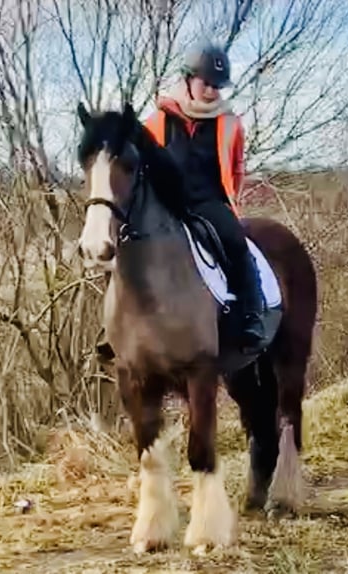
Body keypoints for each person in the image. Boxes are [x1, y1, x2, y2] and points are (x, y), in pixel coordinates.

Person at [95, 40, 265, 363]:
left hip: (209, 202)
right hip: (165, 203)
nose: (213, 91)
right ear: (188, 79)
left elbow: (237, 167)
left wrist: (229, 199)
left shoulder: (231, 123)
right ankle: (113, 327)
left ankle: (251, 316)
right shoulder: (156, 121)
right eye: (207, 83)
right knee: (121, 242)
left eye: (219, 86)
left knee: (236, 241)